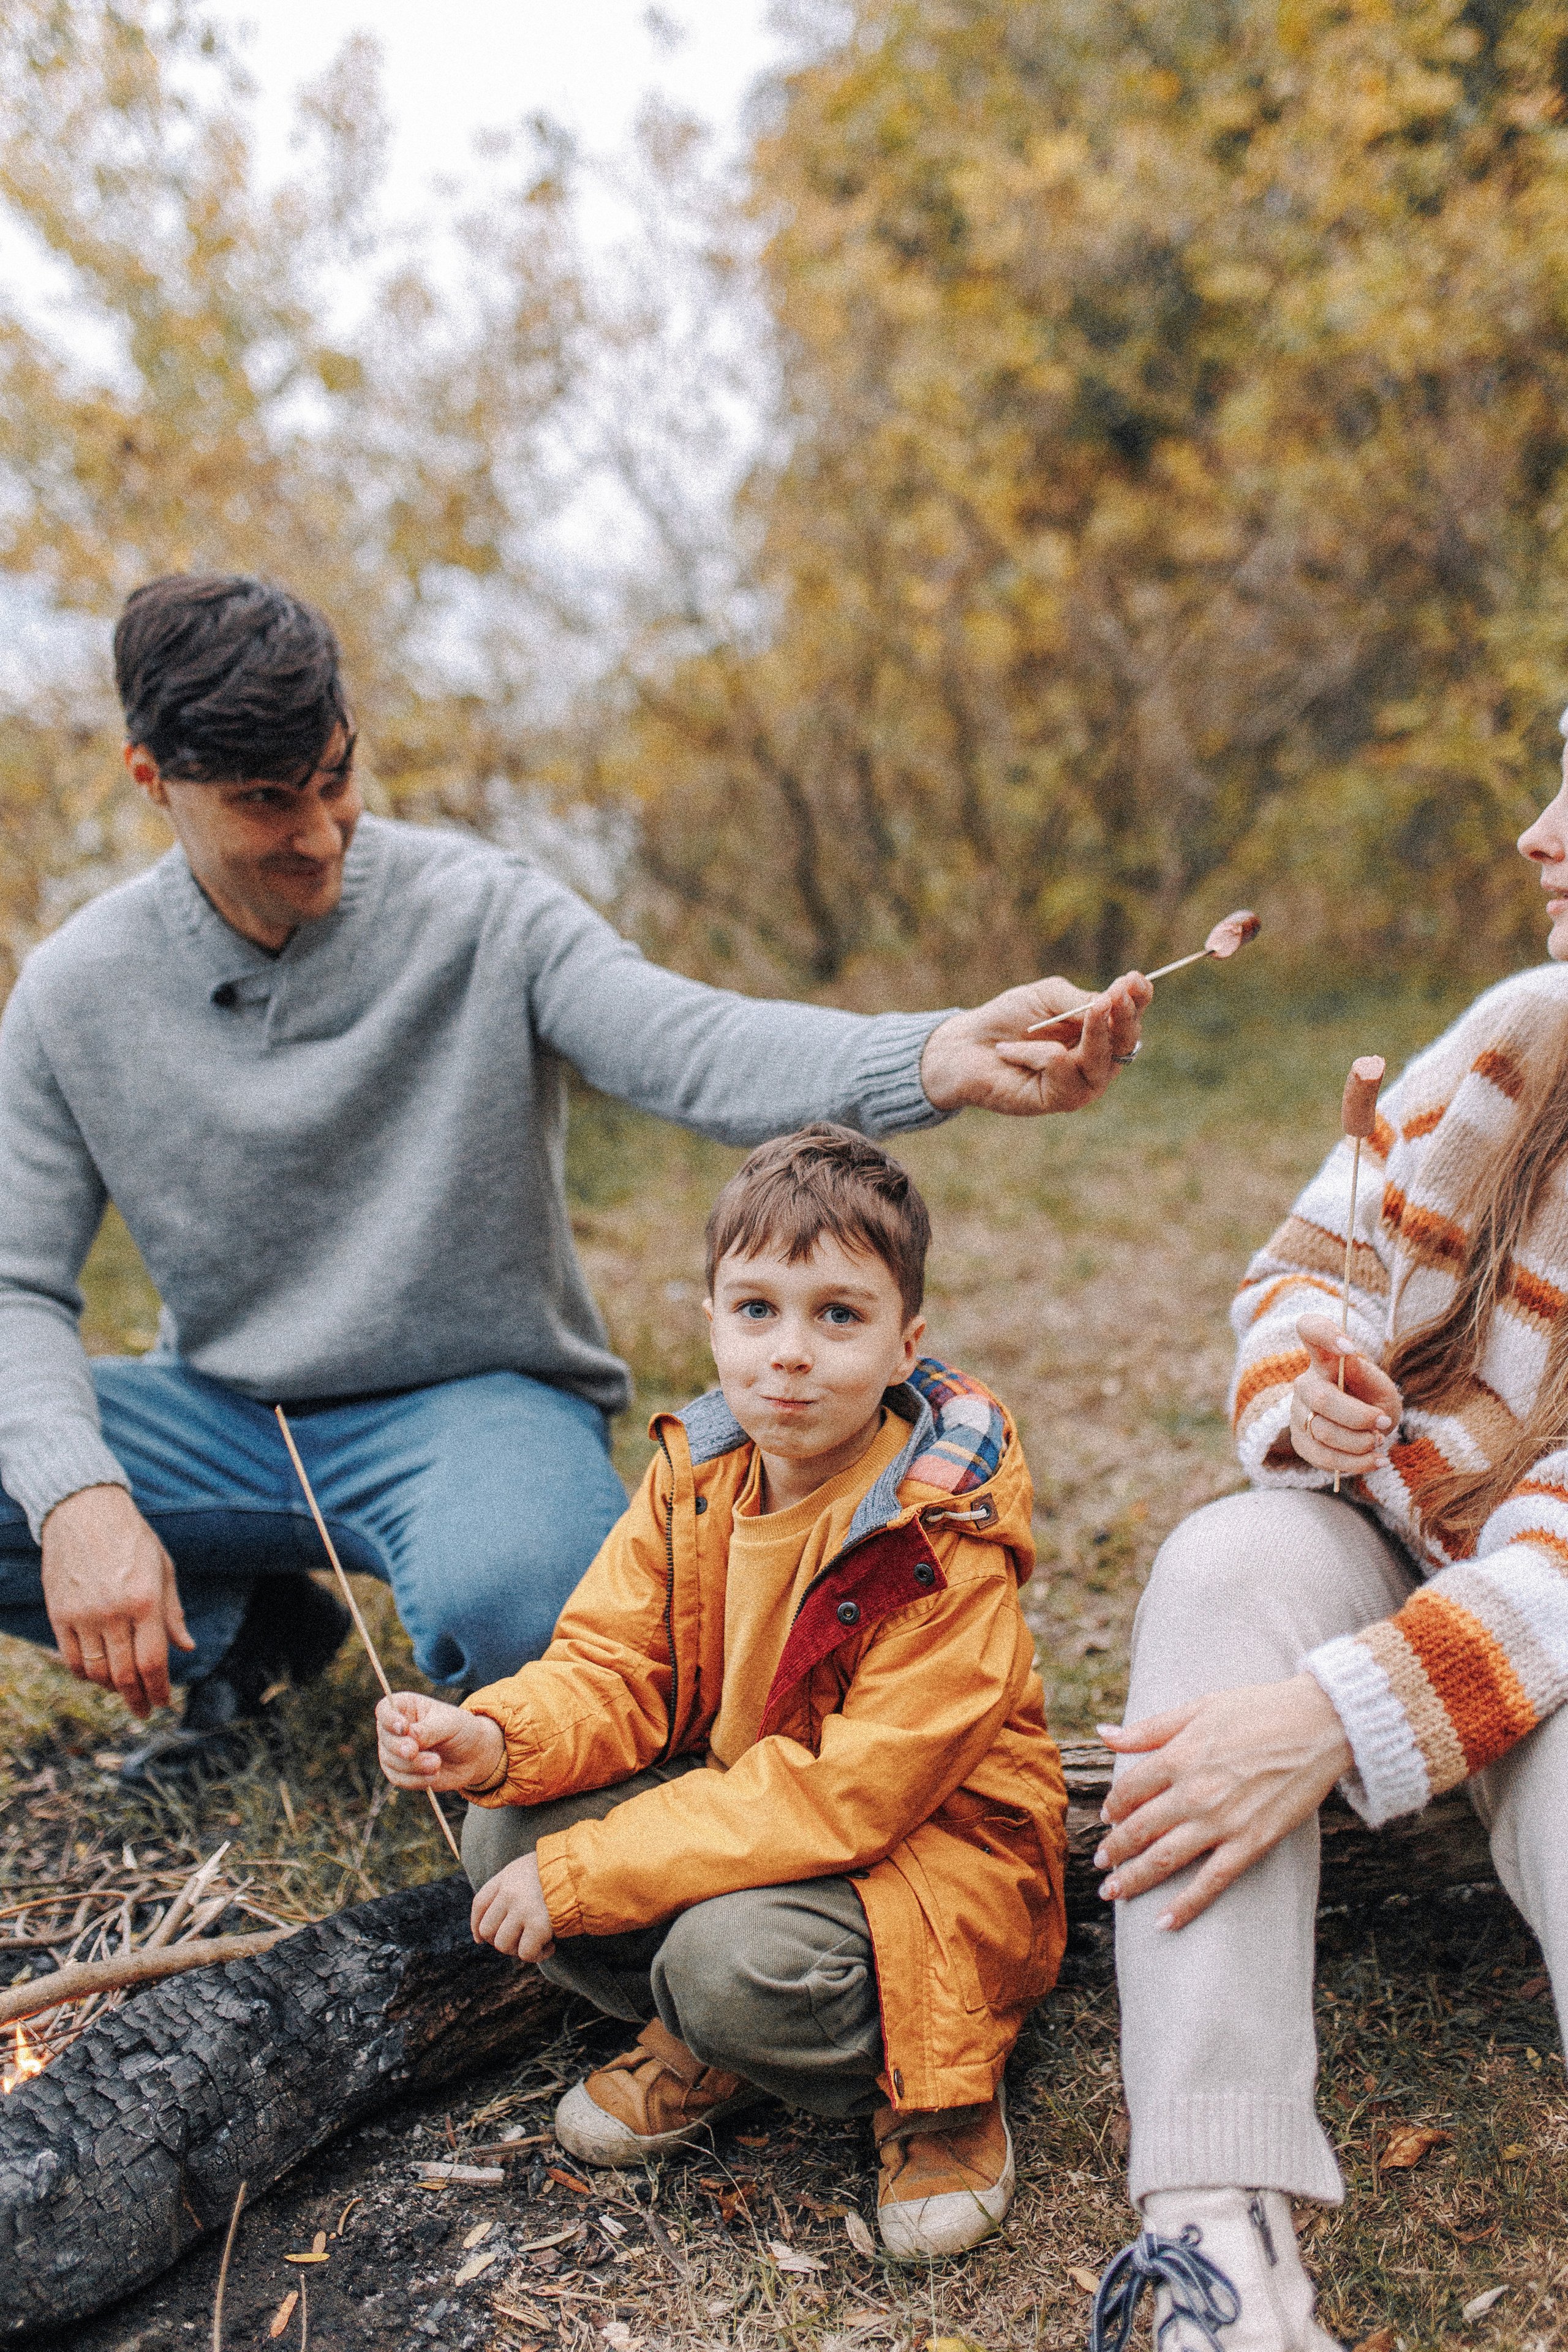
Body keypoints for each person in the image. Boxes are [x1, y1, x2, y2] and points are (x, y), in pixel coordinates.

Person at [0, 573, 1151, 1778]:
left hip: (469, 1400)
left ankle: (466, 1618)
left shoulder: (481, 911)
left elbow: (687, 1043)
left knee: (549, 1624)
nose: (321, 832)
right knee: (30, 1456)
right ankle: (246, 1634)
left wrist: (931, 1054)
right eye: (265, 803)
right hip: (225, 1417)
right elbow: (17, 1283)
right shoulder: (77, 990)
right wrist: (77, 1496)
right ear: (153, 782)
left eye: (336, 777)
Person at [1087, 724, 1568, 2352]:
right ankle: (1215, 2233)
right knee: (1222, 1568)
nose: (1535, 836)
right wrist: (1318, 1396)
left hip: (1553, 1611)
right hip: (1405, 1538)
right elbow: (1308, 1269)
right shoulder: (1523, 1038)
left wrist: (1335, 1719)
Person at [375, 1125, 1065, 2258]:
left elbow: (856, 1794)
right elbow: (615, 1667)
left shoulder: (939, 1538)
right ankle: (715, 2044)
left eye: (838, 1315)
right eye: (757, 1310)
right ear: (711, 1321)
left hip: (933, 1854)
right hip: (752, 1813)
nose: (789, 1352)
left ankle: (940, 2085)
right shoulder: (696, 1475)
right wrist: (495, 1738)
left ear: (907, 1345)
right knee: (505, 1837)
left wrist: (593, 1871)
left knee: (730, 1961)